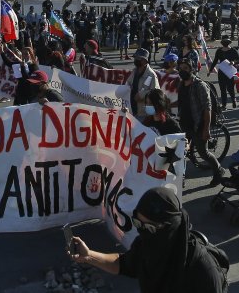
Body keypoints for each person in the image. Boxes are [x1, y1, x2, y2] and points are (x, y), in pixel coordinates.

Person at [68, 187, 229, 293]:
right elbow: (124, 264)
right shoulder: (148, 246)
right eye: (138, 224)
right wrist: (89, 256)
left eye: (149, 228)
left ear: (169, 226)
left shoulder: (203, 270)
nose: (142, 232)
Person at [177, 58, 225, 187]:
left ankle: (219, 170)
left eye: (186, 68)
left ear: (192, 69)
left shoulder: (199, 85)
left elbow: (207, 107)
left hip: (198, 124)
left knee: (204, 153)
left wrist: (206, 129)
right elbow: (181, 102)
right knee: (180, 152)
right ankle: (180, 180)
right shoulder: (181, 84)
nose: (183, 71)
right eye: (181, 68)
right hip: (185, 123)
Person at [125, 48, 160, 118]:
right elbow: (128, 83)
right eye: (135, 58)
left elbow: (156, 92)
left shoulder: (151, 74)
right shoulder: (134, 71)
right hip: (132, 109)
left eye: (138, 58)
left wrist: (142, 95)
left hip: (144, 113)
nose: (135, 60)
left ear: (145, 61)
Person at [208, 37, 239, 109]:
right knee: (222, 88)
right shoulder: (219, 51)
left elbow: (238, 59)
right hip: (222, 71)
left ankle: (233, 99)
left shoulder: (233, 50)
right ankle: (224, 104)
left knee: (230, 87)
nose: (225, 43)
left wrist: (233, 62)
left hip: (230, 71)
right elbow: (215, 60)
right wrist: (210, 70)